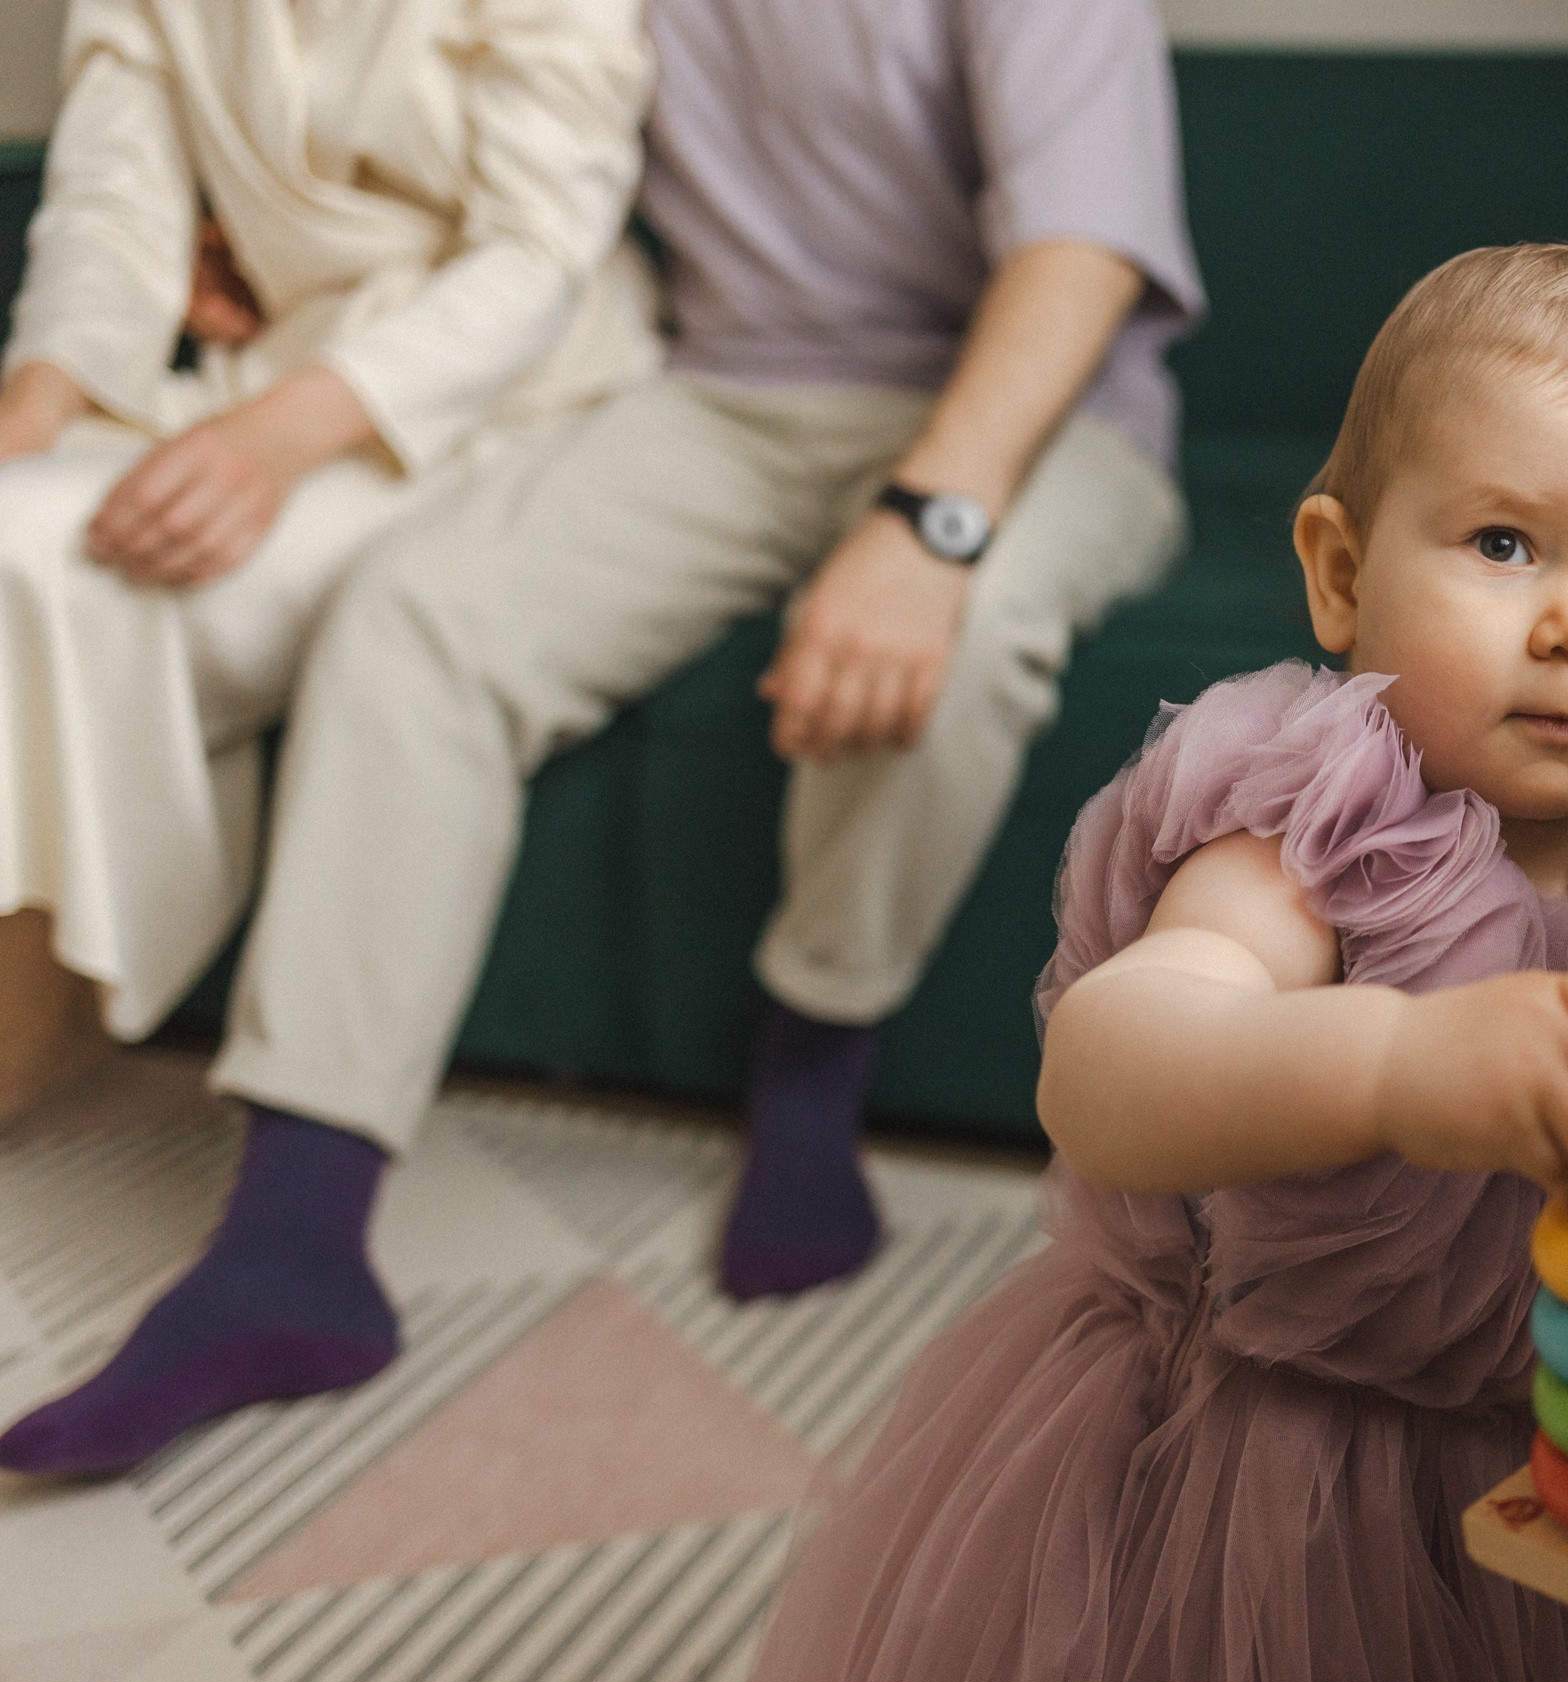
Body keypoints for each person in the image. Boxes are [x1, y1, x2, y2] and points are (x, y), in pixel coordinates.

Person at [741, 245, 1568, 1682]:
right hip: (1271, 1480)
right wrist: (1391, 1066)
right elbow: (1107, 1067)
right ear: (1342, 571)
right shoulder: (1316, 837)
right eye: (1505, 544)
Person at [0, 0, 1200, 1478]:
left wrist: (927, 526)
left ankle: (814, 1059)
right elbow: (475, 134)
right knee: (414, 618)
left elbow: (1078, 257)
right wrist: (244, 241)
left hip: (1040, 415)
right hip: (721, 398)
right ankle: (294, 1244)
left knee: (956, 643)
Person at [0, 0, 657, 1473]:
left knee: (66, 580)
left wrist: (278, 438)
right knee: (11, 535)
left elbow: (539, 256)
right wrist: (35, 408)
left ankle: (270, 1241)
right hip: (253, 373)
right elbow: (112, 203)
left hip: (491, 411)